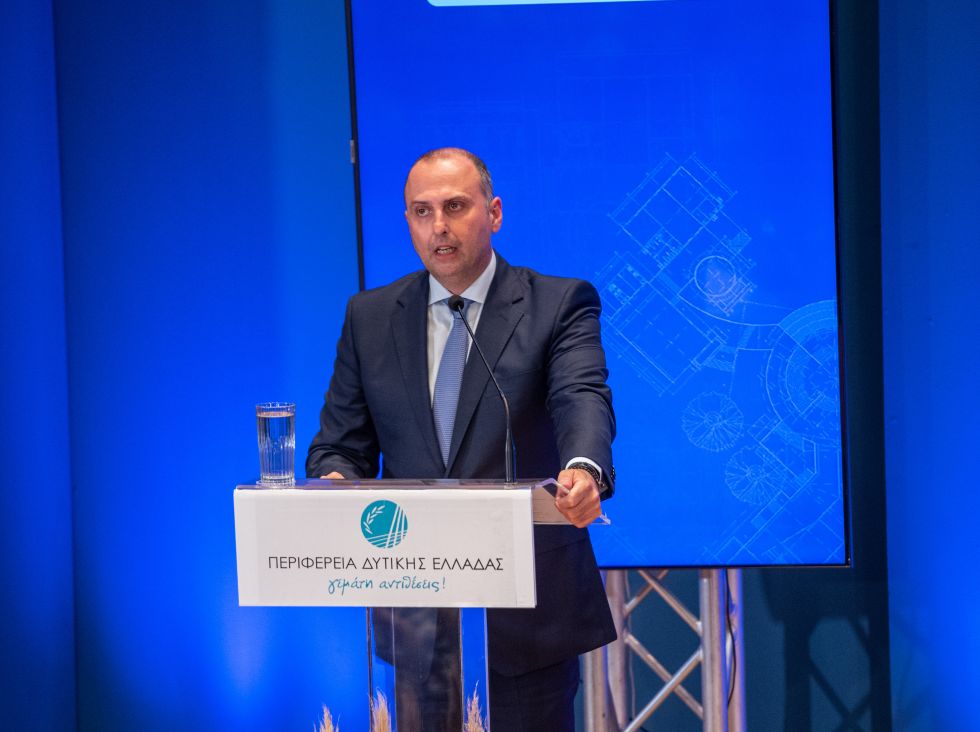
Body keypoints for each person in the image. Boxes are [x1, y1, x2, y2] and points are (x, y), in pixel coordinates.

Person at [307, 147, 616, 730]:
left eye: (454, 207)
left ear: (493, 213)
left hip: (527, 616)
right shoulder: (370, 317)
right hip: (416, 617)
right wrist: (336, 484)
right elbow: (340, 445)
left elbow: (581, 397)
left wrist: (584, 468)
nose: (438, 227)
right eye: (421, 212)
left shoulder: (557, 304)